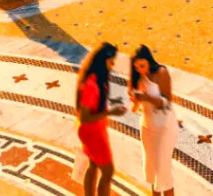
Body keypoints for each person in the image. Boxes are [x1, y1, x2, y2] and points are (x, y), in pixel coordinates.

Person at [74, 42, 122, 196]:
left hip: (96, 129)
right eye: (111, 61)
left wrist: (110, 105)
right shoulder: (92, 84)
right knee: (108, 171)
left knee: (93, 165)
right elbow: (85, 117)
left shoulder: (99, 78)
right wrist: (110, 113)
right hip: (92, 132)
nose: (112, 65)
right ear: (103, 61)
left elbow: (96, 104)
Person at [130, 46, 178, 196]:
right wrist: (136, 101)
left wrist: (146, 98)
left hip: (165, 128)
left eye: (142, 66)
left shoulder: (161, 73)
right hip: (147, 127)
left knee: (163, 171)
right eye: (137, 67)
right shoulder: (137, 77)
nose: (140, 70)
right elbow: (134, 108)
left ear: (149, 60)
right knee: (152, 170)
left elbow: (167, 102)